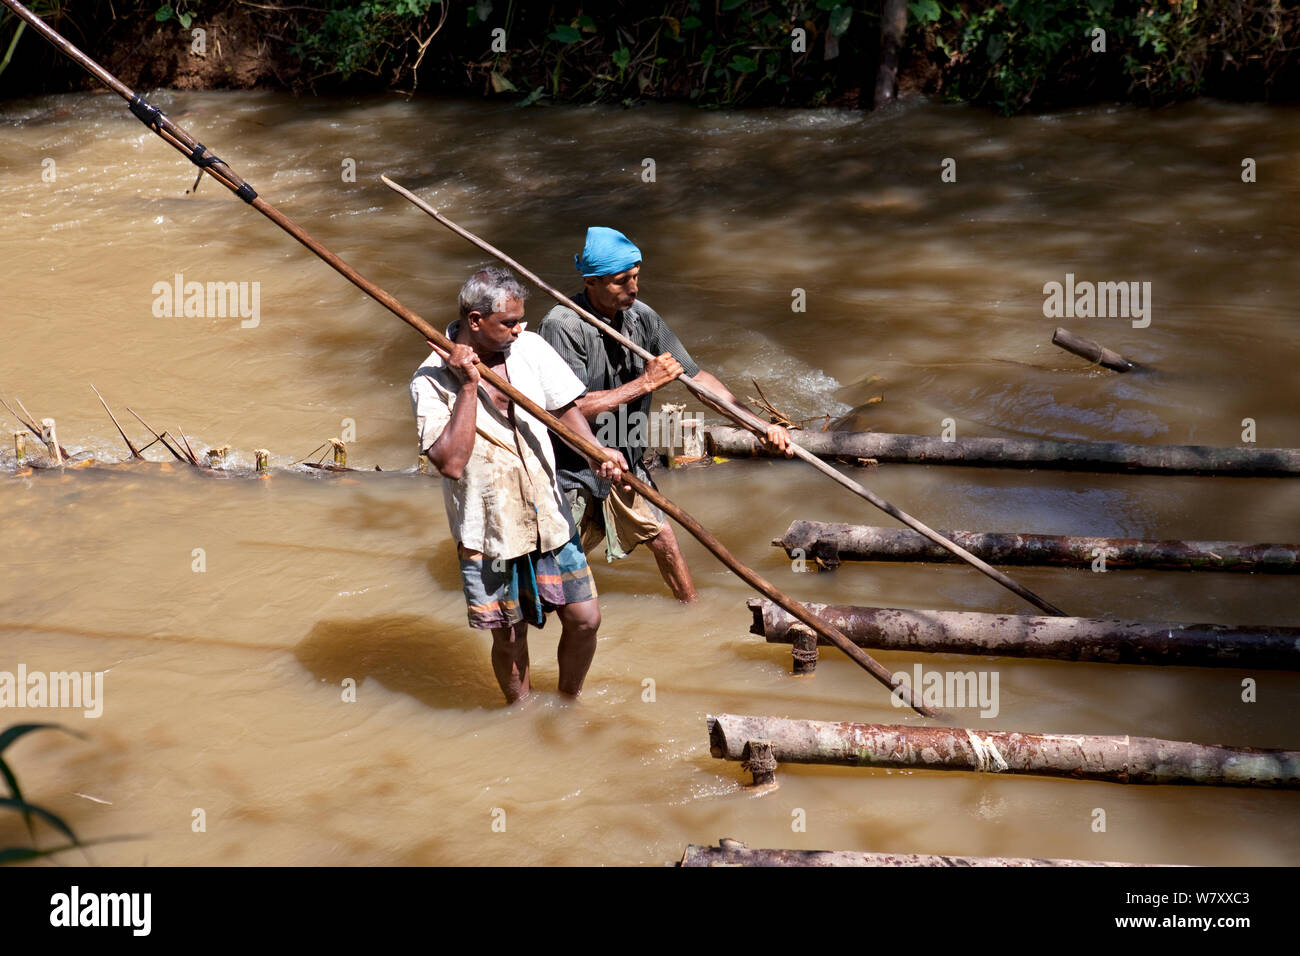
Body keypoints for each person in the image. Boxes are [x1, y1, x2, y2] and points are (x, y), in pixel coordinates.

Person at [409, 266, 629, 704]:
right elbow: (451, 463)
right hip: (489, 527)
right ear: (475, 321)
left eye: (519, 320)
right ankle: (521, 716)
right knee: (510, 637)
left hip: (548, 510)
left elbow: (565, 411)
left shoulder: (529, 347)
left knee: (586, 618)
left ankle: (569, 701)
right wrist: (469, 386)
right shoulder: (430, 377)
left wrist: (596, 453)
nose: (519, 328)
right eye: (508, 322)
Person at [538, 227, 791, 604]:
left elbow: (698, 379)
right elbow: (566, 409)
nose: (634, 288)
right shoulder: (563, 325)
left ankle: (693, 613)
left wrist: (757, 425)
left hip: (627, 462)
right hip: (571, 466)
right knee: (553, 565)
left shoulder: (641, 318)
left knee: (665, 541)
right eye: (622, 281)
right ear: (591, 281)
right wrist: (644, 383)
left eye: (636, 277)